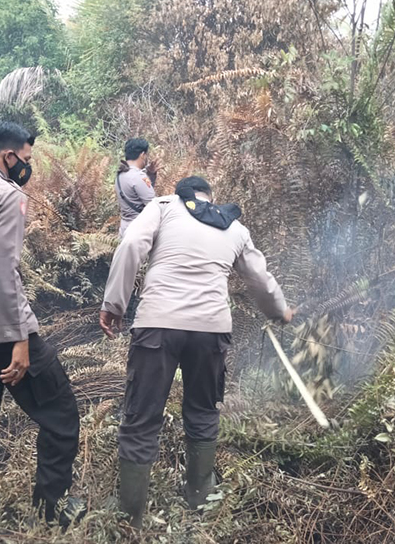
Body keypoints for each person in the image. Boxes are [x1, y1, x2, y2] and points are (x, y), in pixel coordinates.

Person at [99, 176, 293, 528]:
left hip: (159, 324)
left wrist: (114, 303)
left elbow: (130, 246)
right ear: (211, 198)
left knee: (142, 415)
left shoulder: (163, 207)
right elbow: (260, 280)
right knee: (203, 409)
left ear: (181, 192)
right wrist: (280, 312)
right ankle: (200, 495)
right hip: (211, 330)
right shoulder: (234, 228)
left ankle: (130, 512)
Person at [0, 121, 84, 525]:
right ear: (9, 156)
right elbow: (5, 273)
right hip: (0, 329)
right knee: (60, 415)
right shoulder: (7, 196)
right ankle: (51, 508)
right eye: (26, 158)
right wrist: (19, 339)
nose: (28, 166)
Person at [115, 137, 160, 238]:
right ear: (142, 155)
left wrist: (151, 175)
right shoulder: (138, 176)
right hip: (138, 230)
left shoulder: (120, 175)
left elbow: (138, 194)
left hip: (124, 227)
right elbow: (152, 204)